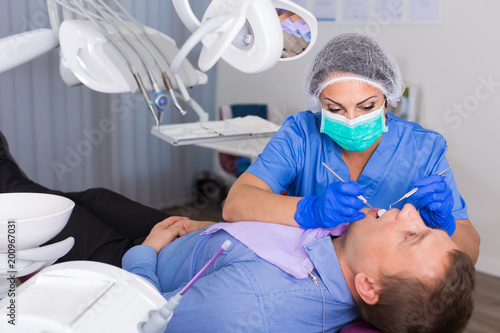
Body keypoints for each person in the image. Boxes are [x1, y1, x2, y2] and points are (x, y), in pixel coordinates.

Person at [222, 33, 480, 263]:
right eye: (334, 109)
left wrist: (447, 226)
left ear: (388, 99)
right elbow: (236, 205)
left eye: (367, 107)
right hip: (307, 274)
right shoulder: (301, 134)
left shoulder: (424, 148)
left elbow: (470, 252)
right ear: (318, 100)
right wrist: (313, 211)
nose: (352, 119)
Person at [124, 204, 476, 333]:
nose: (411, 208)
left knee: (79, 203)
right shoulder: (341, 246)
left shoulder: (253, 302)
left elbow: (134, 318)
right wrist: (207, 227)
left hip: (141, 264)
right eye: (429, 227)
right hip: (192, 234)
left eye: (411, 235)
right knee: (96, 197)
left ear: (368, 287)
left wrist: (145, 251)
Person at [0, 130, 212, 267]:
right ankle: (12, 184)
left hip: (148, 264)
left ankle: (10, 185)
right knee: (95, 198)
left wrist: (148, 251)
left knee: (44, 208)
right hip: (193, 239)